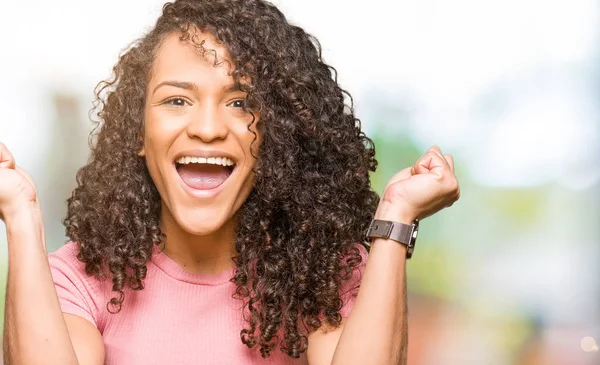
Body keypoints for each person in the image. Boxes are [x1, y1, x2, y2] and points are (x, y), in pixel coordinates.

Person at [0, 0, 460, 364]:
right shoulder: (81, 276)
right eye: (177, 100)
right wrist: (20, 215)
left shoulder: (324, 273)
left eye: (240, 102)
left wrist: (396, 217)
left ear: (277, 132)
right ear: (138, 133)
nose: (206, 127)